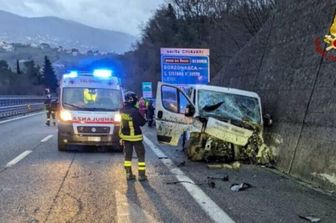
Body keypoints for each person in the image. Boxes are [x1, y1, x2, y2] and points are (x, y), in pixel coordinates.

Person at [119, 92, 147, 181]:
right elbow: (142, 123)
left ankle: (128, 174)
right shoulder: (134, 111)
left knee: (127, 156)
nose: (137, 100)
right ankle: (141, 175)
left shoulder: (122, 110)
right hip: (136, 137)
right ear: (132, 99)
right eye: (135, 99)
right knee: (141, 155)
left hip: (126, 137)